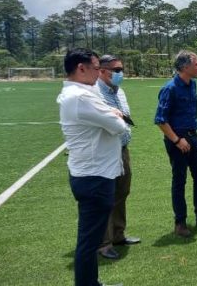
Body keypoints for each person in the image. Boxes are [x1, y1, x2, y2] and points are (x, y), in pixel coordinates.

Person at [57, 48, 129, 286]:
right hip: (94, 177)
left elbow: (113, 119)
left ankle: (91, 282)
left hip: (92, 174)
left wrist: (113, 114)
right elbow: (119, 127)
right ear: (81, 68)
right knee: (89, 241)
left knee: (89, 238)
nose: (99, 74)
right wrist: (115, 116)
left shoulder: (81, 94)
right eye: (97, 68)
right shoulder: (81, 97)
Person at [155, 50, 197, 237]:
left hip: (193, 136)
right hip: (177, 139)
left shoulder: (192, 84)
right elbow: (161, 120)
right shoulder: (170, 88)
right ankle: (180, 223)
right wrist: (177, 140)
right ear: (185, 67)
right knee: (180, 181)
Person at [96, 55, 140, 260]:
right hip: (104, 152)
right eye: (116, 70)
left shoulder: (119, 91)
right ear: (102, 71)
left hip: (122, 149)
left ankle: (118, 234)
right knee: (105, 196)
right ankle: (103, 243)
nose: (120, 73)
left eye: (121, 69)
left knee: (122, 191)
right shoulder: (93, 93)